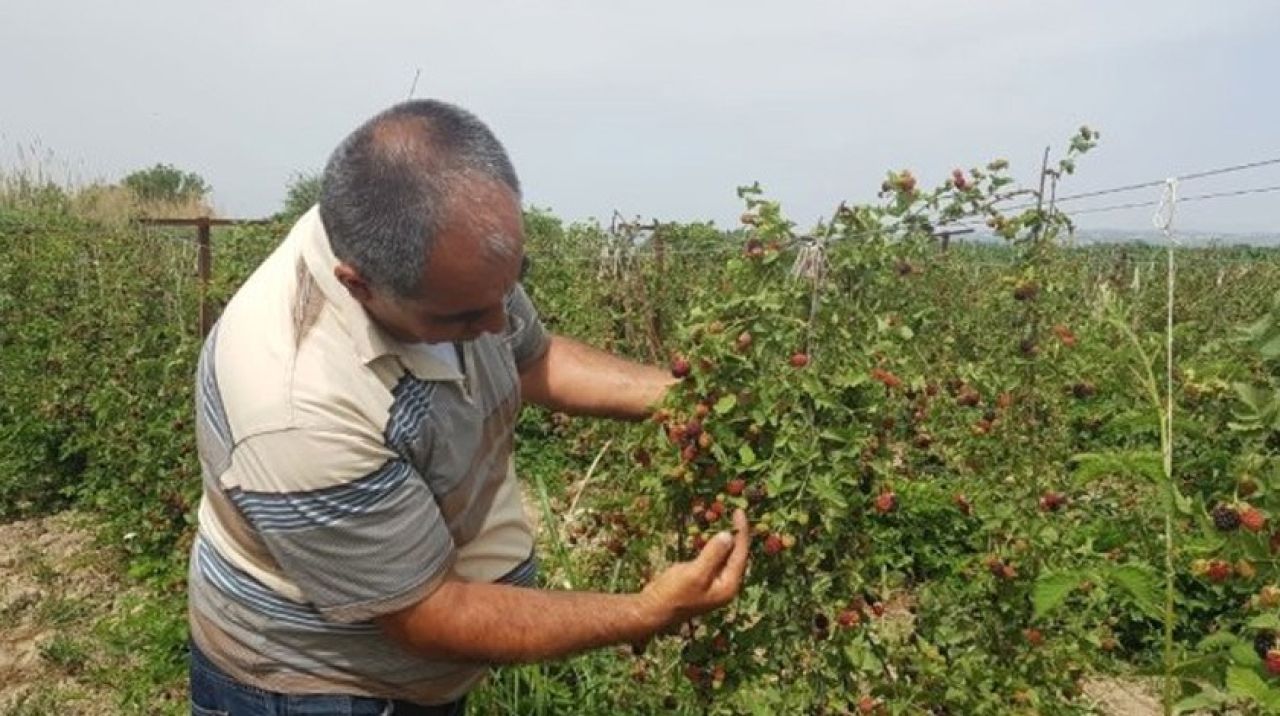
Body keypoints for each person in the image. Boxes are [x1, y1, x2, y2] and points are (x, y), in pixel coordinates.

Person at [186, 99, 750, 715]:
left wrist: (691, 402)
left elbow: (533, 360)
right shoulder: (296, 405)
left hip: (421, 674)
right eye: (461, 316)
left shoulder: (450, 259)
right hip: (318, 688)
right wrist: (647, 612)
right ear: (358, 284)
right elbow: (428, 613)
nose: (496, 324)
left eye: (507, 290)